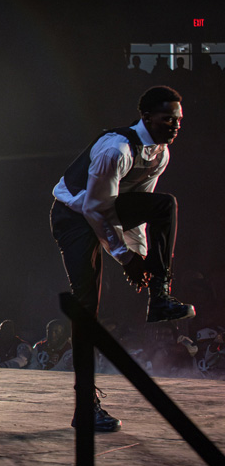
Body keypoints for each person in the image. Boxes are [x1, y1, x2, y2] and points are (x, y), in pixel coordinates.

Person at [51, 85, 195, 432]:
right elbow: (94, 209)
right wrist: (124, 257)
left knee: (164, 205)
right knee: (87, 306)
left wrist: (140, 259)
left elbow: (139, 210)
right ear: (146, 117)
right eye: (168, 119)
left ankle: (160, 296)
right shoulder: (116, 149)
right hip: (74, 217)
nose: (175, 125)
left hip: (102, 210)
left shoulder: (160, 154)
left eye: (178, 120)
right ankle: (85, 405)